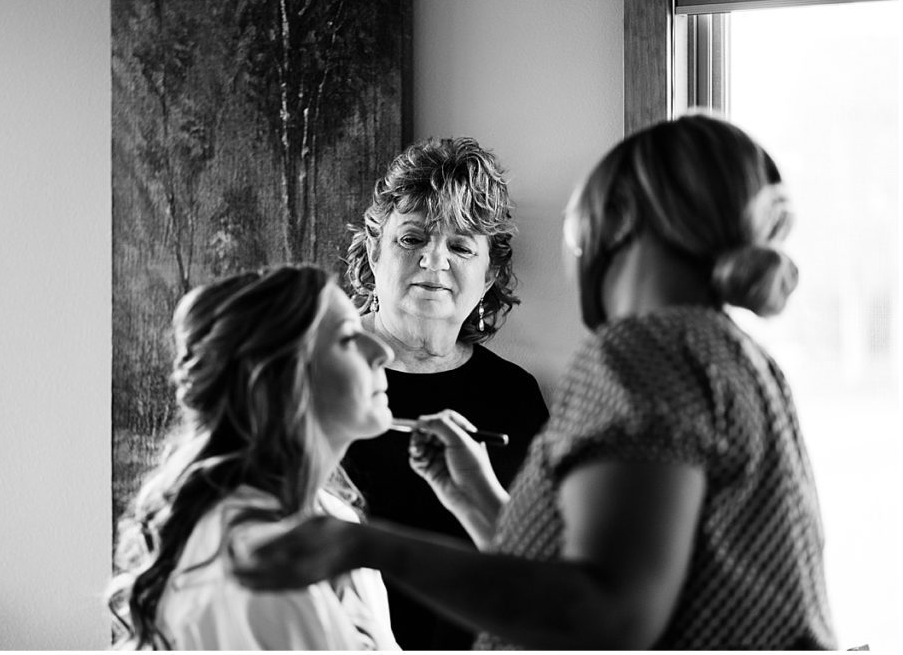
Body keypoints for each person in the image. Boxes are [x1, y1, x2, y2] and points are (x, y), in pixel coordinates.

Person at [233, 114, 838, 649]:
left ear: (612, 227)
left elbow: (606, 619)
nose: (433, 263)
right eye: (412, 239)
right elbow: (601, 575)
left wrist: (362, 546)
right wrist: (480, 501)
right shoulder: (737, 356)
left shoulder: (641, 352)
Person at [107, 264, 401, 650]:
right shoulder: (263, 562)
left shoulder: (336, 522)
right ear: (281, 379)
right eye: (348, 338)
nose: (383, 352)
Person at [342, 136, 549, 649]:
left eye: (461, 247)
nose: (434, 261)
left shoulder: (515, 395)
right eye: (412, 239)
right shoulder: (319, 369)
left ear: (489, 274)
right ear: (374, 249)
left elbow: (543, 562)